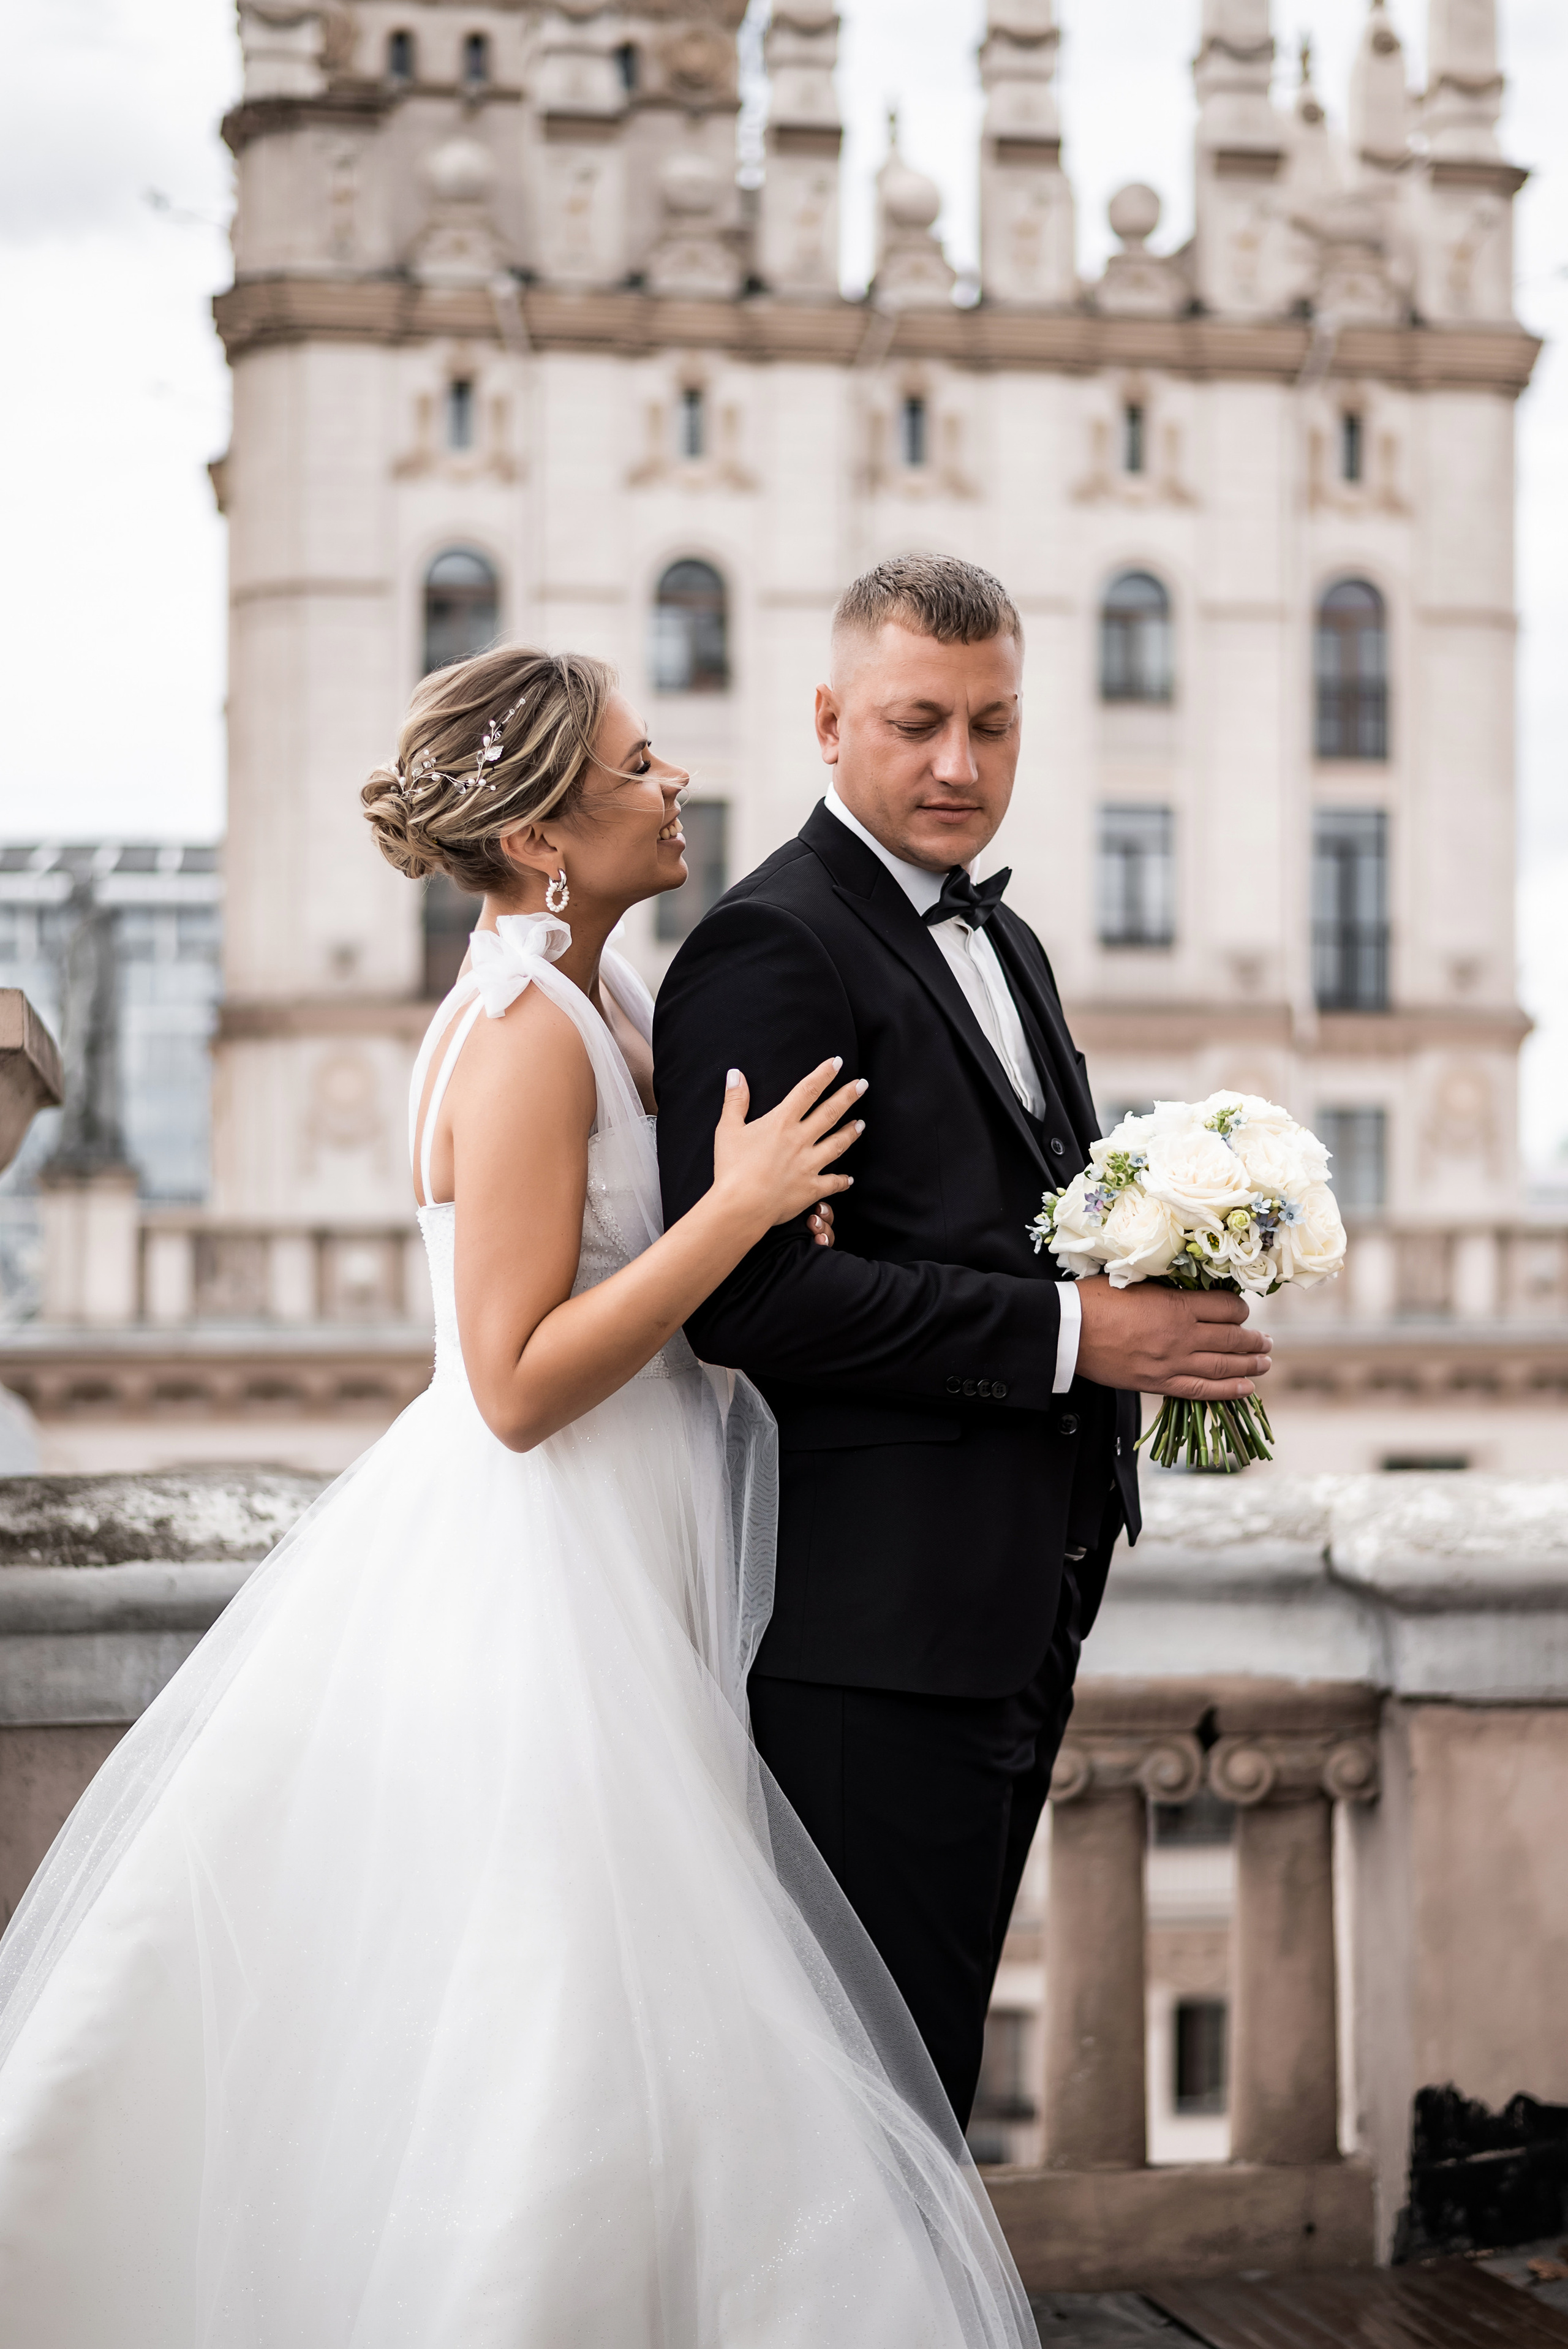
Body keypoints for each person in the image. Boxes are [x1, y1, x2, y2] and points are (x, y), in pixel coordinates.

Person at [0, 648, 1038, 2347]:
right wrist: (736, 1212)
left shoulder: (607, 998)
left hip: (634, 1534)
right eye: (639, 767)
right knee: (566, 1986)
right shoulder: (520, 1038)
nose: (676, 782)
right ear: (551, 833)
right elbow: (511, 1382)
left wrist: (778, 1224)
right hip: (544, 1562)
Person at [654, 557, 1273, 2125]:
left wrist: (1167, 1258)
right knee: (862, 2100)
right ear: (826, 720)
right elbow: (748, 1302)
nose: (958, 764)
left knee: (915, 2085)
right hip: (872, 1633)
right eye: (916, 722)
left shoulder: (1012, 942)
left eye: (993, 725)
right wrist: (1084, 1333)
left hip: (1016, 1601)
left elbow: (1001, 1220)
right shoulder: (767, 948)